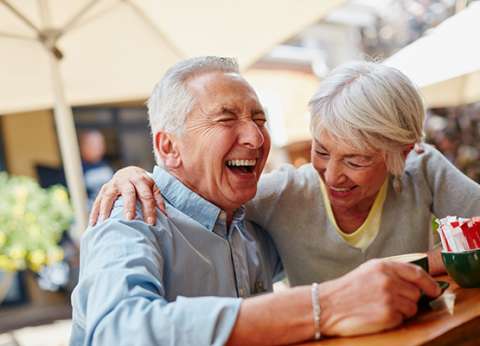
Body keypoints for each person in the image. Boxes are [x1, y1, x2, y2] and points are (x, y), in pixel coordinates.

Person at [71, 57, 440, 346]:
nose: (255, 136)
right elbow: (117, 334)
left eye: (259, 118)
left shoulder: (251, 225)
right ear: (169, 147)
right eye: (226, 118)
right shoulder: (131, 214)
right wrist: (321, 308)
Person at [92, 60, 480, 285]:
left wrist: (420, 265)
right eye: (322, 151)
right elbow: (203, 193)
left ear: (404, 151)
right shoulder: (282, 194)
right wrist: (135, 174)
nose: (332, 176)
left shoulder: (423, 169)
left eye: (357, 160)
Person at [78, 130, 114, 209]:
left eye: (100, 144)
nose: (98, 147)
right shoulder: (76, 168)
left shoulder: (107, 165)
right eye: (92, 144)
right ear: (82, 146)